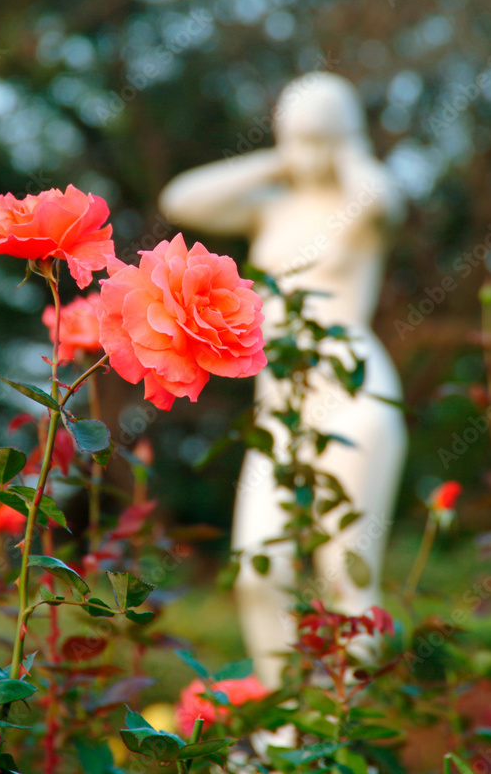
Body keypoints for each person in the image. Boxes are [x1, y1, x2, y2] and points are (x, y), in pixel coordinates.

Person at [159, 72, 407, 685]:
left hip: (354, 392)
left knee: (345, 572)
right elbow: (180, 199)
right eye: (299, 136)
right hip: (280, 407)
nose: (311, 151)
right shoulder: (270, 207)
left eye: (323, 137)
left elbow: (384, 199)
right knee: (257, 570)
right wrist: (278, 160)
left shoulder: (360, 205)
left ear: (347, 137)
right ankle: (281, 721)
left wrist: (347, 151)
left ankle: (344, 721)